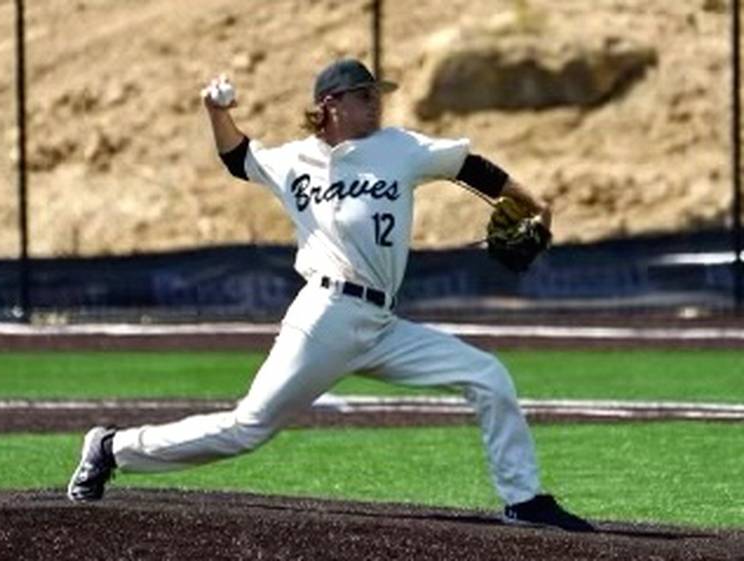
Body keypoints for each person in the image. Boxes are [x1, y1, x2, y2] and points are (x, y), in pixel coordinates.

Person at [67, 58, 594, 532]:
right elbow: (238, 157)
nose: (376, 102)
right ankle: (112, 448)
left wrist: (535, 203)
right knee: (247, 429)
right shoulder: (295, 161)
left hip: (382, 325)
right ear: (331, 104)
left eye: (376, 93)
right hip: (325, 316)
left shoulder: (400, 148)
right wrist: (215, 109)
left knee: (487, 375)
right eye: (364, 94)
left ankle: (523, 500)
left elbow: (471, 167)